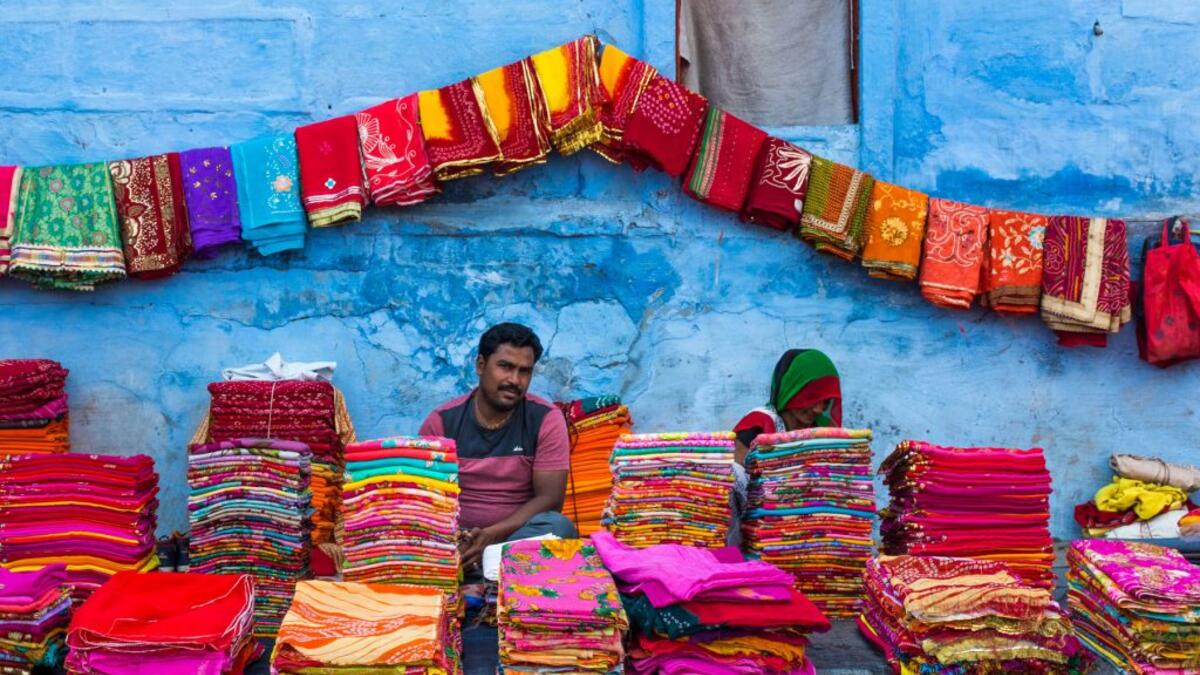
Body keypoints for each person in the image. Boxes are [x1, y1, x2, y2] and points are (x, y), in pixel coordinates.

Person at [419, 323, 577, 571]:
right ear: (481, 365)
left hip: (512, 541)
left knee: (558, 528)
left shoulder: (545, 419)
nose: (514, 380)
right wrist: (460, 540)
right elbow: (426, 500)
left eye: (524, 371)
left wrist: (492, 536)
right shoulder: (442, 421)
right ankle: (478, 570)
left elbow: (550, 499)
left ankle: (490, 571)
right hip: (456, 541)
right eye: (505, 367)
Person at [728, 348, 842, 543]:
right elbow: (736, 481)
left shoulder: (824, 429)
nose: (818, 408)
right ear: (792, 389)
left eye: (825, 401)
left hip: (810, 530)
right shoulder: (759, 424)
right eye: (812, 397)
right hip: (760, 528)